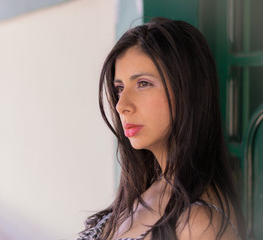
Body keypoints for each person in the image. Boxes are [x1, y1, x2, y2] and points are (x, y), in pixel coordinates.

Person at [78, 17, 246, 240]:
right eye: (119, 88)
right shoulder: (143, 193)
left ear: (187, 92)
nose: (121, 105)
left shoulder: (198, 225)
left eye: (143, 83)